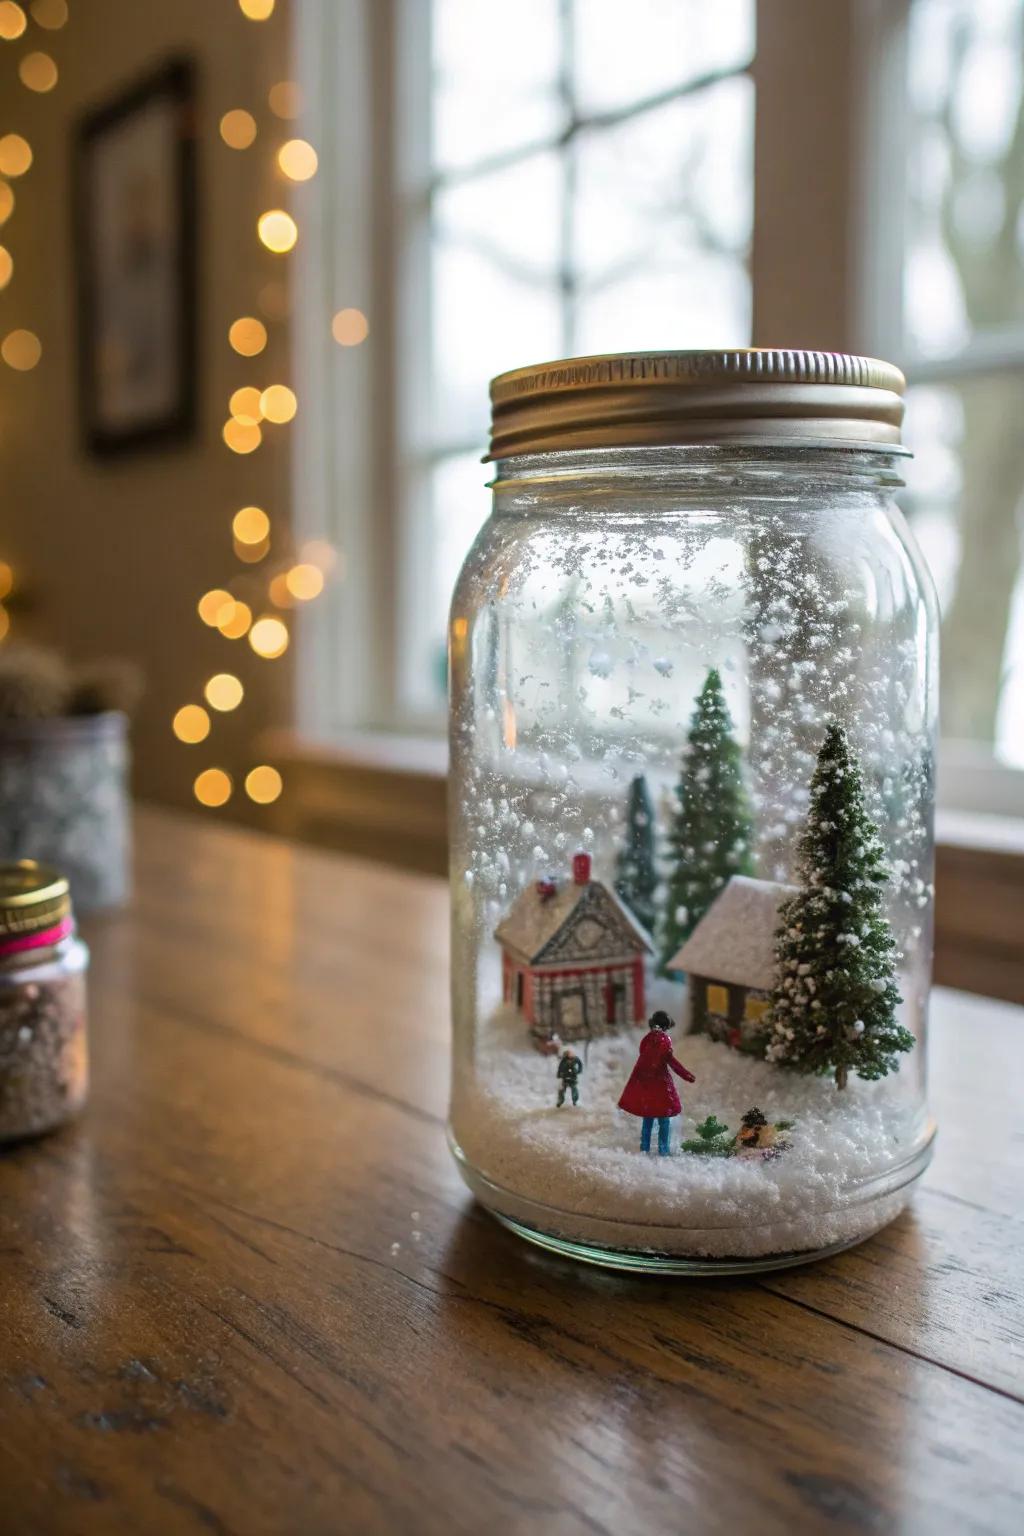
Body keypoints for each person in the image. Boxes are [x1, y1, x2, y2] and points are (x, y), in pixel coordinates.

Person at [617, 1011, 696, 1154]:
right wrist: (686, 1075)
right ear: (666, 1026)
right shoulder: (665, 1041)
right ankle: (663, 1150)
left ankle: (645, 1148)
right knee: (663, 1119)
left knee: (648, 1117)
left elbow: (642, 1056)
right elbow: (671, 1061)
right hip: (660, 1086)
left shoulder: (647, 1039)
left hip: (647, 1085)